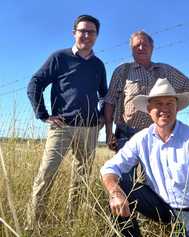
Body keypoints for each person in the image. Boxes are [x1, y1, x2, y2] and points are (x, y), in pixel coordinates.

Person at [101, 78, 189, 237]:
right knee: (119, 186)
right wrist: (116, 192)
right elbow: (110, 168)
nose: (164, 109)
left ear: (177, 108)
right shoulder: (142, 138)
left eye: (169, 103)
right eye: (158, 104)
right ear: (149, 109)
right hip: (160, 205)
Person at [26, 15, 107, 229]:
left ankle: (71, 222)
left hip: (89, 130)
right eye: (82, 31)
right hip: (62, 127)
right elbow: (35, 83)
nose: (87, 35)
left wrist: (99, 119)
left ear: (97, 36)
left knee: (81, 179)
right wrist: (43, 114)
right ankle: (33, 225)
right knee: (46, 174)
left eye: (91, 32)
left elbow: (104, 96)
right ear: (74, 33)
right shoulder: (59, 58)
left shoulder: (99, 65)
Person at [104, 30, 189, 151]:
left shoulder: (164, 70)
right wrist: (109, 132)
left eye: (144, 45)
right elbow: (110, 101)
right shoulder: (122, 71)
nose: (141, 48)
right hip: (126, 134)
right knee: (124, 173)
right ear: (131, 50)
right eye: (136, 45)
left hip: (155, 134)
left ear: (152, 48)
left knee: (153, 174)